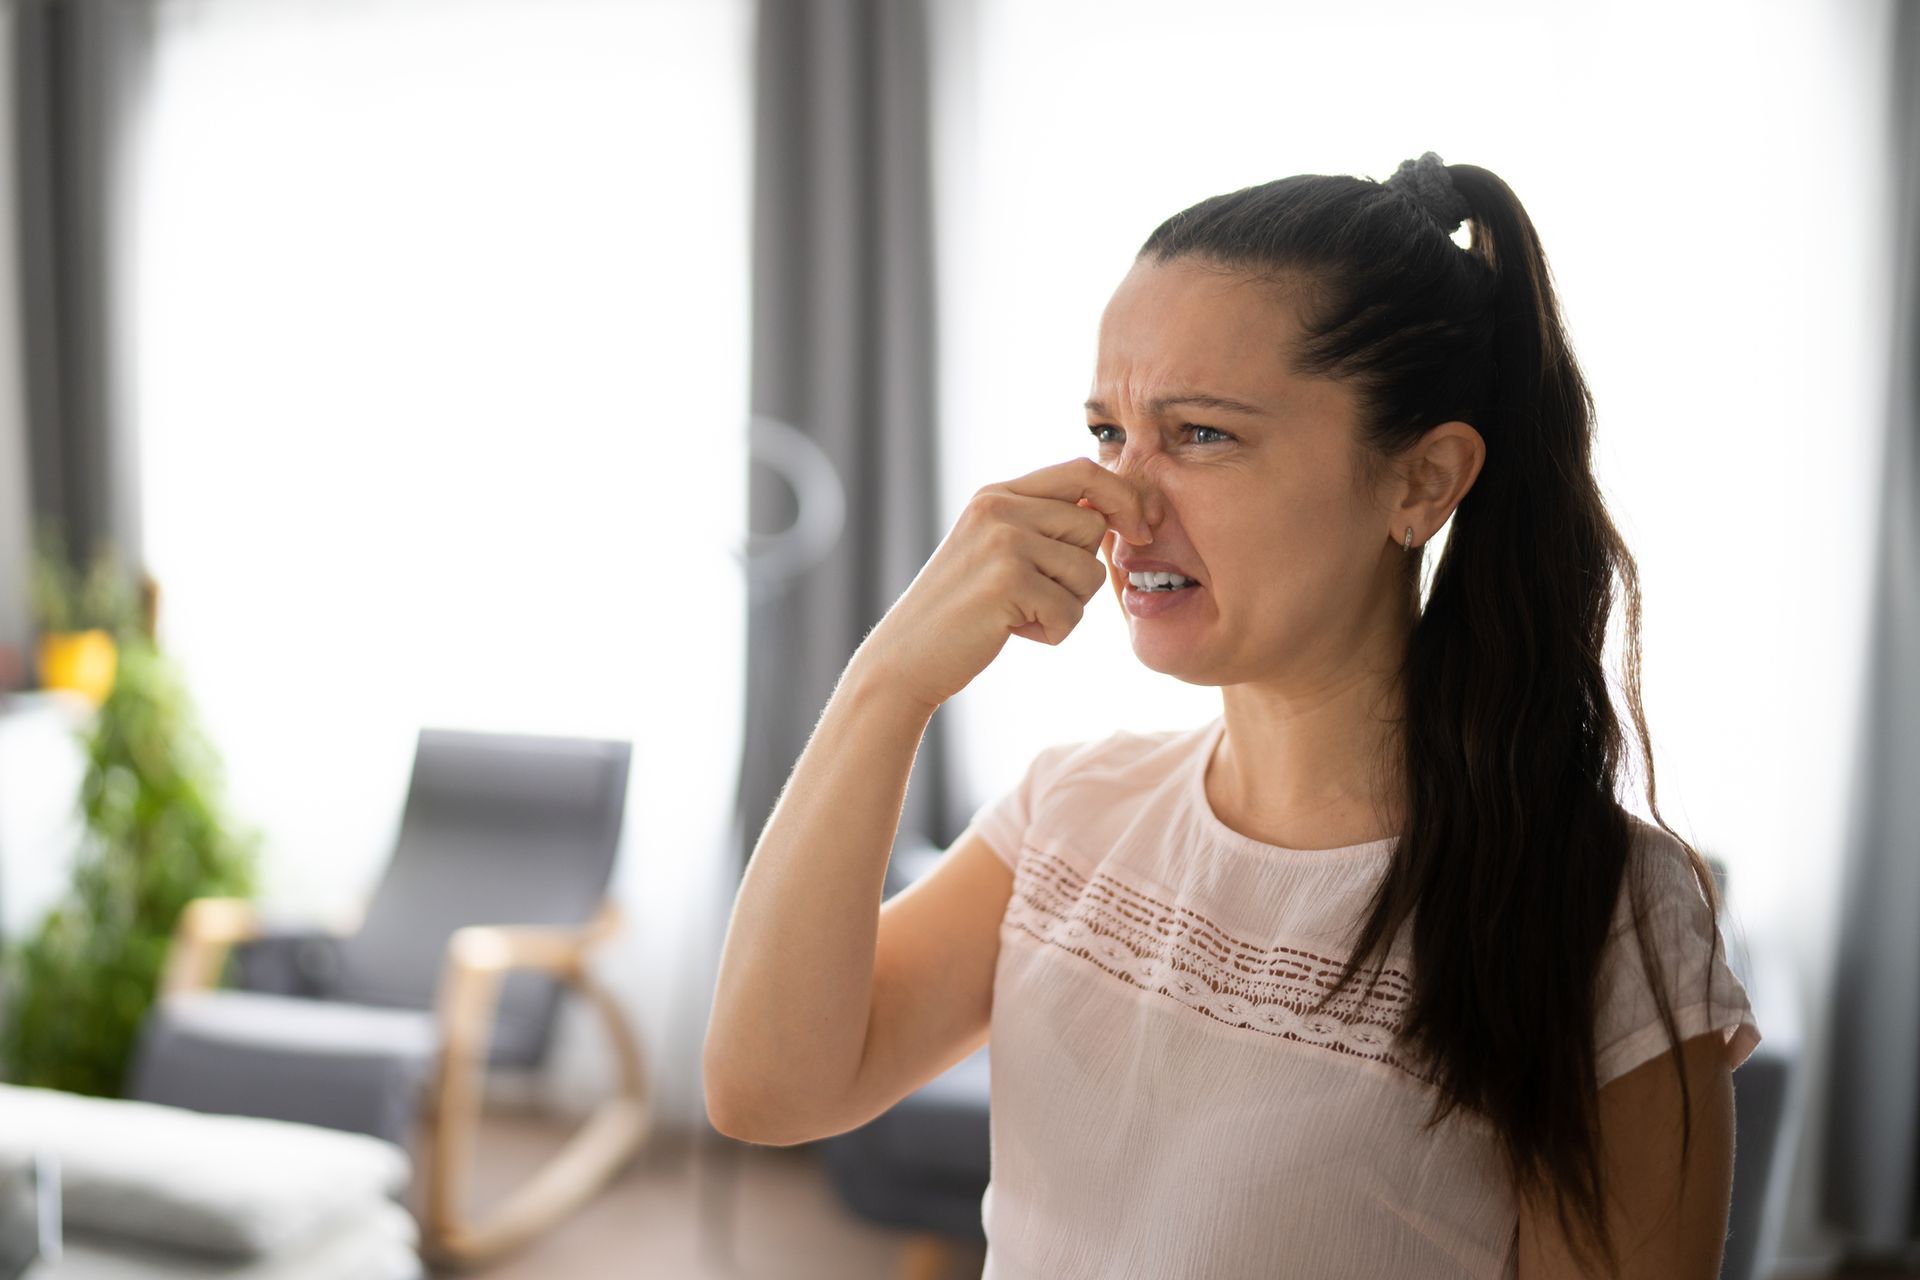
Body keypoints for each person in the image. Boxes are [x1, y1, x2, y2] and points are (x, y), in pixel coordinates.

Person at [703, 152, 1761, 1279]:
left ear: (1422, 480)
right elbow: (768, 1088)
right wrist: (889, 678)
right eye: (1110, 430)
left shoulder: (1602, 916)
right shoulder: (1070, 811)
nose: (1122, 501)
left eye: (1201, 433)